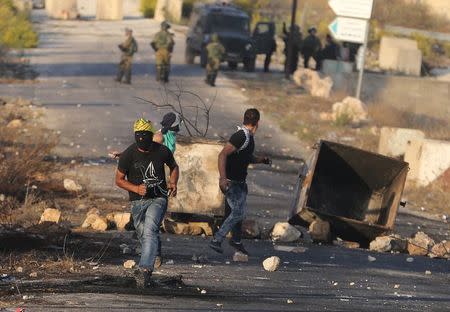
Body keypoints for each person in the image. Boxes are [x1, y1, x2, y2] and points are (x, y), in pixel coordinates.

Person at [115, 118, 179, 287]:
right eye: (139, 136)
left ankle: (144, 270)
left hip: (158, 198)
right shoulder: (129, 154)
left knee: (150, 230)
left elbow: (174, 167)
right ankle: (155, 253)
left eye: (145, 136)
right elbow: (119, 180)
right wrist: (136, 189)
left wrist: (173, 183)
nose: (142, 140)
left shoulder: (162, 151)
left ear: (151, 136)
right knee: (143, 232)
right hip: (137, 201)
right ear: (136, 137)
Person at [209, 109, 271, 255]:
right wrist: (223, 178)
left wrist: (261, 160)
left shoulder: (248, 137)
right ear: (258, 123)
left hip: (240, 182)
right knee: (239, 212)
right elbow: (222, 155)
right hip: (231, 183)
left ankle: (236, 241)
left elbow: (245, 157)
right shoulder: (241, 136)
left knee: (236, 212)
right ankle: (217, 240)